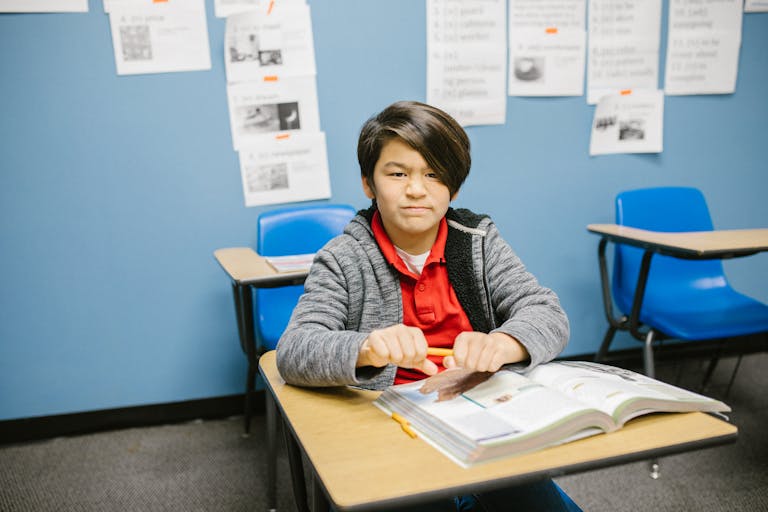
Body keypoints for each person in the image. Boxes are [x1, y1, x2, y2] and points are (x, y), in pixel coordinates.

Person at [276, 101, 575, 511]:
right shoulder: (344, 257)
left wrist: (504, 343)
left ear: (454, 187)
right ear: (368, 183)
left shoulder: (478, 240)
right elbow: (294, 350)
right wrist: (368, 347)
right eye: (397, 174)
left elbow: (546, 311)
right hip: (386, 430)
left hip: (480, 421)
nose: (416, 189)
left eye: (434, 175)